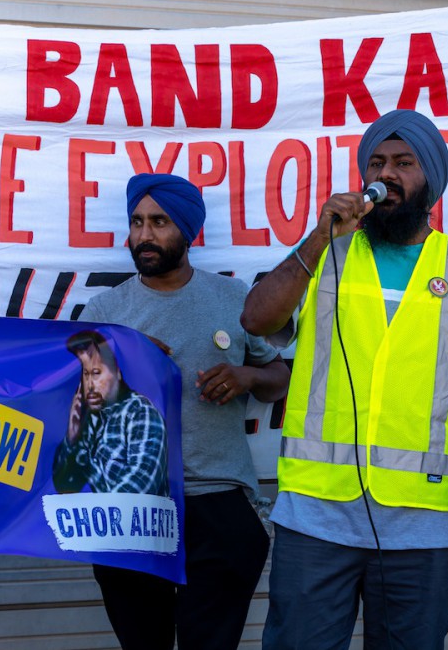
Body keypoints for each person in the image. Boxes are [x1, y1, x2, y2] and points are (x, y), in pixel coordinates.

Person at [241, 109, 448, 649]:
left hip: (424, 522)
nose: (388, 174)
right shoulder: (326, 254)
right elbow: (256, 320)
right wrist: (318, 237)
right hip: (316, 515)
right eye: (377, 162)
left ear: (431, 179)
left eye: (404, 163)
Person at [78, 173, 291, 650]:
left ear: (188, 230)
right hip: (132, 506)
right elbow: (74, 406)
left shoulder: (235, 299)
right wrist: (122, 366)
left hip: (220, 501)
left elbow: (279, 375)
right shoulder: (104, 310)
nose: (144, 235)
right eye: (136, 222)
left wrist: (247, 377)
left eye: (159, 222)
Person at [52, 329, 168, 496]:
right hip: (99, 518)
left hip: (130, 520)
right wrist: (72, 437)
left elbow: (139, 489)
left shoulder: (140, 412)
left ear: (117, 373)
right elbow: (63, 484)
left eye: (96, 373)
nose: (90, 384)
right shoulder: (90, 420)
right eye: (85, 374)